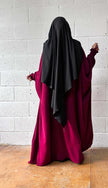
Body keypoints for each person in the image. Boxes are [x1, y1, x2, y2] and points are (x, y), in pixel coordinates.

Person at [27, 16, 99, 166]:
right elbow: (85, 70)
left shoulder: (47, 46)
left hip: (51, 98)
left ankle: (48, 154)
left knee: (50, 124)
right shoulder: (76, 47)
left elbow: (43, 73)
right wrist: (92, 53)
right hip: (70, 97)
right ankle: (72, 153)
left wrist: (34, 76)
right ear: (68, 29)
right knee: (69, 121)